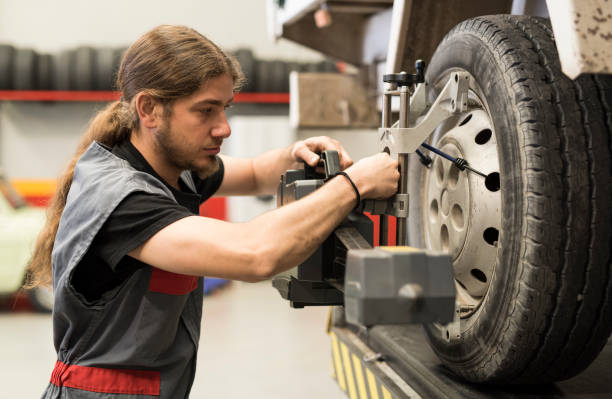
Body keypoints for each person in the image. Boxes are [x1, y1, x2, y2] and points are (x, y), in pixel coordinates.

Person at [26, 25, 399, 398]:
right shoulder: (124, 200)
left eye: (224, 109)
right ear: (149, 109)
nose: (223, 128)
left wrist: (296, 153)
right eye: (205, 111)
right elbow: (255, 254)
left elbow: (253, 174)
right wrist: (353, 185)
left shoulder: (171, 168)